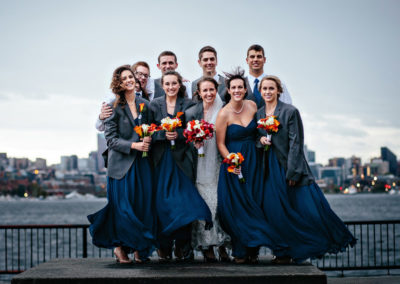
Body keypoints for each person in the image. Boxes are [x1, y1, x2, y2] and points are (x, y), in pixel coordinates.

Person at [256, 75, 356, 263]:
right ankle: (283, 250)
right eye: (264, 89)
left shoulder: (290, 111)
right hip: (268, 168)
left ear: (278, 90)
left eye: (271, 88)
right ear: (260, 91)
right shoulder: (259, 113)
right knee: (275, 211)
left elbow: (296, 144)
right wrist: (260, 141)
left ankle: (296, 250)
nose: (268, 92)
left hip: (286, 167)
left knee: (299, 210)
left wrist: (293, 172)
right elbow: (257, 138)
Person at [215, 68, 288, 264]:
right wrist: (231, 160)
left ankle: (253, 250)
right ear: (228, 90)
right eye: (234, 87)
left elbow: (259, 131)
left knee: (255, 204)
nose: (237, 90)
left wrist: (263, 138)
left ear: (245, 89)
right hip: (234, 166)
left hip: (255, 162)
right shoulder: (223, 114)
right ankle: (240, 250)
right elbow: (220, 143)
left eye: (241, 87)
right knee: (238, 208)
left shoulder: (253, 106)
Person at [87, 65, 157, 263]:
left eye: (131, 76)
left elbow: (150, 130)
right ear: (118, 83)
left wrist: (149, 139)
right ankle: (118, 248)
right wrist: (135, 144)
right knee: (122, 208)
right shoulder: (112, 106)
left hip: (142, 166)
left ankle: (138, 250)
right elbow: (111, 140)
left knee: (141, 207)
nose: (129, 80)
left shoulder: (146, 104)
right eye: (124, 78)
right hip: (121, 168)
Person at [150, 70, 212, 261]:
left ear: (179, 85)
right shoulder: (154, 106)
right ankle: (164, 245)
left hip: (183, 161)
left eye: (174, 83)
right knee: (162, 205)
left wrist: (179, 134)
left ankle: (183, 246)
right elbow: (146, 132)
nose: (170, 87)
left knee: (185, 203)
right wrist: (162, 134)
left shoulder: (189, 105)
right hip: (161, 162)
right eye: (167, 84)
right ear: (162, 85)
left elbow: (193, 130)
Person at [185, 77, 231, 262]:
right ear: (199, 92)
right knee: (207, 207)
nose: (209, 93)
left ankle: (222, 245)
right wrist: (194, 143)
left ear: (216, 90)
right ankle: (207, 246)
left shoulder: (223, 110)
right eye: (205, 90)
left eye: (212, 89)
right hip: (200, 166)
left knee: (220, 206)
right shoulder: (191, 113)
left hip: (218, 163)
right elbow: (184, 141)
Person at [96, 62, 151, 132]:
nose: (142, 77)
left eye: (146, 75)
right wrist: (101, 117)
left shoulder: (148, 97)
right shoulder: (113, 99)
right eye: (139, 74)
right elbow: (101, 128)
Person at [245, 44, 292, 108]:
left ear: (264, 60)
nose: (255, 59)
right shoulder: (238, 86)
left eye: (259, 56)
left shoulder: (278, 84)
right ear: (247, 60)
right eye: (252, 57)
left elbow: (287, 109)